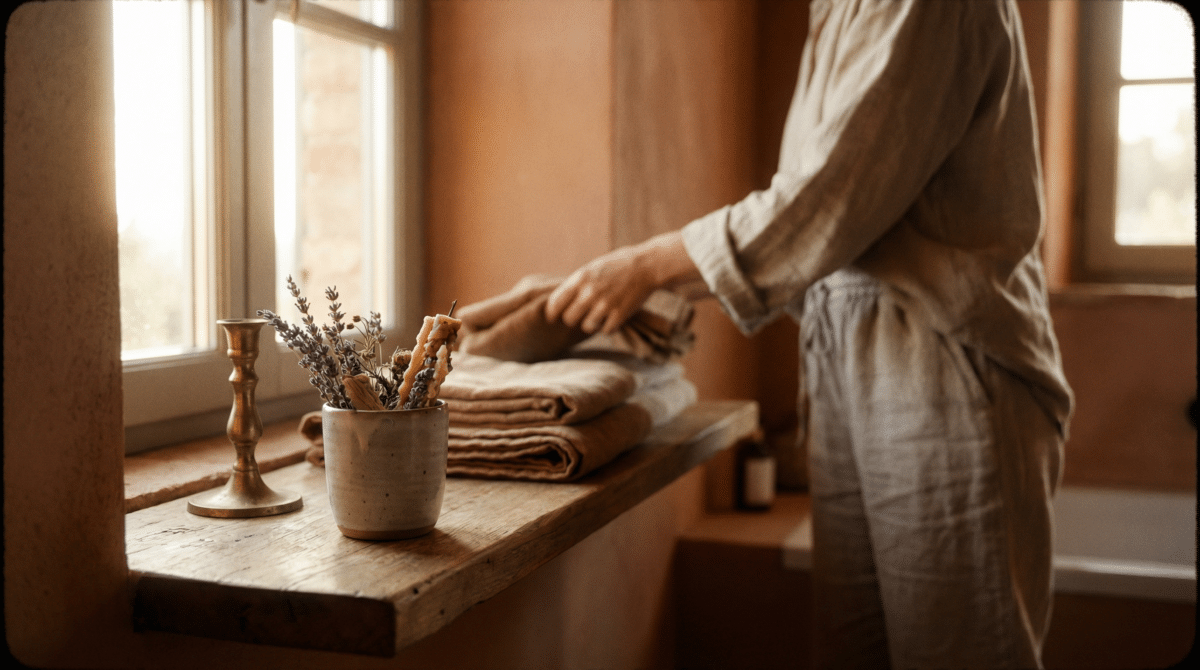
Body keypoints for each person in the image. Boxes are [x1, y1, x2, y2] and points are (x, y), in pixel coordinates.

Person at [544, 0, 1073, 668]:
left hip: (944, 365)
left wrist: (649, 264)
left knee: (956, 653)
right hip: (850, 357)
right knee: (854, 649)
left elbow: (832, 193)